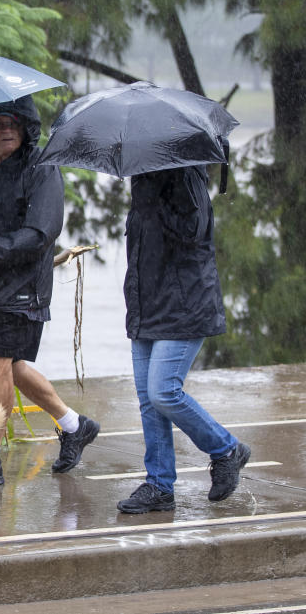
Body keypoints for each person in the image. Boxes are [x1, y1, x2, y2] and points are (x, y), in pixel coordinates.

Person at [0, 95, 100, 488]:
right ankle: (73, 424)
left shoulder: (41, 165)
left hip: (24, 284)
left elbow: (40, 232)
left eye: (14, 122)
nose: (6, 129)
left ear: (27, 125)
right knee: (10, 368)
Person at [116, 165, 250, 513]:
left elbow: (193, 231)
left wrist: (157, 197)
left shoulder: (186, 175)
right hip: (147, 306)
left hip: (185, 305)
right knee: (149, 400)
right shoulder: (143, 178)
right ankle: (160, 485)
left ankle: (226, 449)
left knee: (164, 392)